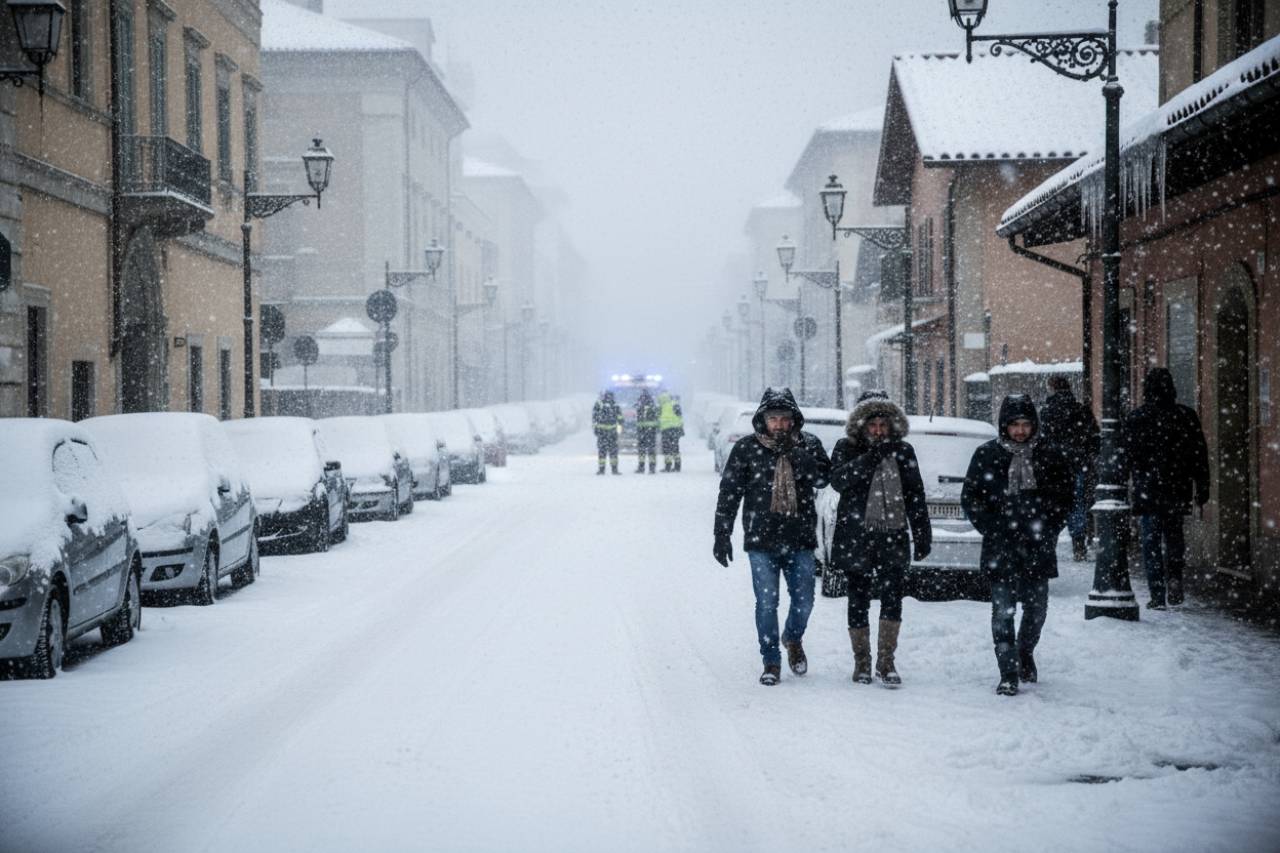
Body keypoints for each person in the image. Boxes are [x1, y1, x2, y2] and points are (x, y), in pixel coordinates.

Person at [713, 387, 831, 685]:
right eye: (773, 418)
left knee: (804, 601)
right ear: (763, 420)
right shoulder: (747, 448)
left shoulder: (809, 444)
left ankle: (792, 637)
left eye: (784, 418)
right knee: (767, 603)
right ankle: (771, 661)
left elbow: (822, 478)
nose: (779, 424)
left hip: (800, 539)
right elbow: (729, 493)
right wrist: (722, 533)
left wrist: (798, 455)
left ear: (794, 419)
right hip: (761, 540)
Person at [961, 395, 1072, 697]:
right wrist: (992, 527)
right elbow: (970, 497)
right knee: (1003, 611)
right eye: (1014, 425)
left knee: (1037, 610)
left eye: (1025, 424)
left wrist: (1048, 527)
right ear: (1004, 426)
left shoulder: (1049, 455)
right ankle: (1008, 672)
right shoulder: (987, 454)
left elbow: (1065, 497)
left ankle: (1025, 652)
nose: (1020, 431)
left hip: (1037, 545)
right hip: (1001, 547)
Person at [828, 390, 931, 687]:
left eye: (882, 425)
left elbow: (915, 494)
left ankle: (886, 662)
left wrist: (922, 533)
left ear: (891, 425)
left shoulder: (903, 451)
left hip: (892, 535)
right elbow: (838, 481)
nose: (877, 431)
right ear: (861, 425)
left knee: (892, 597)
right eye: (872, 425)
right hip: (856, 536)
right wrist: (868, 459)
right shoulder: (846, 448)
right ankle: (861, 662)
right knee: (858, 598)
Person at [1122, 367, 1210, 609]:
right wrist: (1202, 485)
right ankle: (1175, 577)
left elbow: (1127, 456)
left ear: (1147, 390)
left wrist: (1124, 482)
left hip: (1148, 489)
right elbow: (1198, 455)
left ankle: (1157, 593)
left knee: (1150, 541)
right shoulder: (1185, 416)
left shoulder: (1137, 418)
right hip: (1176, 488)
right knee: (1174, 537)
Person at [1038, 374, 1100, 561]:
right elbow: (1094, 438)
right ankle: (1078, 545)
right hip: (1078, 465)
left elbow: (1042, 440)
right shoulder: (1081, 410)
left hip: (1054, 466)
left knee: (1053, 505)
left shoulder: (1047, 411)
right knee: (1077, 504)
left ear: (1052, 388)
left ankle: (1049, 545)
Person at [592, 390, 623, 475]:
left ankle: (601, 470)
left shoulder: (599, 405)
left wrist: (596, 429)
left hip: (602, 433)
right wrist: (618, 432)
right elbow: (620, 420)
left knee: (602, 452)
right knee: (613, 452)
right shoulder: (615, 405)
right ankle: (614, 469)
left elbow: (594, 418)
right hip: (612, 433)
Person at [658, 391, 684, 472]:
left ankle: (668, 466)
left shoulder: (662, 407)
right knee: (675, 448)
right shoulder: (675, 404)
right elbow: (680, 417)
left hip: (666, 430)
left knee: (667, 449)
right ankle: (677, 466)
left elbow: (659, 418)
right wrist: (681, 428)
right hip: (675, 429)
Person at [634, 389, 659, 474]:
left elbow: (638, 415)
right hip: (651, 431)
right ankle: (652, 468)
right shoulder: (653, 405)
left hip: (642, 430)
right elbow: (656, 417)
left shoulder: (640, 404)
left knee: (641, 450)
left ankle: (641, 467)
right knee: (651, 450)